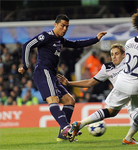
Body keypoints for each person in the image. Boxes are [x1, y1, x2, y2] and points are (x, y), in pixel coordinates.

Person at [60, 8, 138, 144]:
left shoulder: (130, 42)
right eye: (112, 54)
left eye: (116, 53)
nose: (113, 56)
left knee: (112, 111)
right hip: (136, 87)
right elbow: (91, 82)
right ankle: (128, 138)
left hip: (122, 83)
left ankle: (81, 123)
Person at [18, 14, 107, 142]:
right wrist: (25, 65)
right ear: (56, 25)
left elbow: (76, 44)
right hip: (43, 72)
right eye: (62, 26)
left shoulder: (61, 40)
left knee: (70, 100)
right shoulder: (46, 36)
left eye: (67, 27)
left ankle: (63, 135)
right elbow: (26, 45)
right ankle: (66, 127)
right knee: (53, 99)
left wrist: (96, 39)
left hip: (53, 75)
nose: (65, 29)